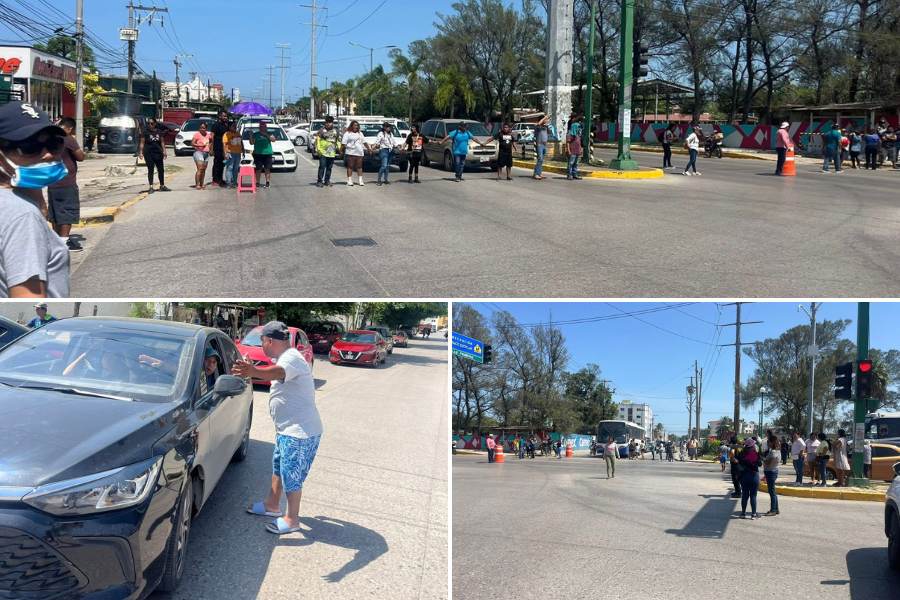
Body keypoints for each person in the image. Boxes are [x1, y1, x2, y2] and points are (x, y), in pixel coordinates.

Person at [235, 321, 323, 535]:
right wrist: (252, 369)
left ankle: (292, 519)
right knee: (279, 468)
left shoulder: (291, 358)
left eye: (261, 341)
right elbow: (272, 370)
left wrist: (252, 371)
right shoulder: (285, 357)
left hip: (300, 433)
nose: (261, 345)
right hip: (287, 430)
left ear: (269, 341)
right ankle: (272, 505)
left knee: (292, 476)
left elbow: (277, 373)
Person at [0, 101, 70, 298]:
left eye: (54, 143)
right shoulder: (23, 216)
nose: (47, 155)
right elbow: (28, 301)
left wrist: (36, 195)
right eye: (30, 146)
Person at [44, 116, 86, 253]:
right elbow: (80, 157)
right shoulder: (68, 139)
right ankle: (63, 243)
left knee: (56, 213)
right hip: (66, 182)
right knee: (67, 212)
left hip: (52, 182)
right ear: (70, 128)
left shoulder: (51, 138)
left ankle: (57, 240)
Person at [137, 118, 169, 196]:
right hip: (148, 153)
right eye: (148, 123)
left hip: (158, 153)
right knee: (150, 169)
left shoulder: (159, 132)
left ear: (155, 124)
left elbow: (162, 142)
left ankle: (162, 185)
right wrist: (140, 152)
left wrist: (164, 151)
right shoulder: (145, 132)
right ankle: (151, 186)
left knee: (161, 169)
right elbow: (142, 143)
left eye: (151, 123)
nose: (150, 125)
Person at [737, 437, 762, 519]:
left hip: (744, 476)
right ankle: (753, 514)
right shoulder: (754, 453)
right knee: (753, 496)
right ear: (752, 445)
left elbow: (738, 463)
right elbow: (760, 464)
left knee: (744, 495)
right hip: (754, 476)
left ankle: (743, 513)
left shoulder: (742, 453)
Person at [340, 120, 368, 187]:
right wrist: (341, 151)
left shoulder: (360, 133)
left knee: (359, 166)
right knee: (350, 166)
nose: (356, 127)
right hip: (350, 152)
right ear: (352, 126)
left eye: (357, 125)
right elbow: (343, 143)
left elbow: (364, 142)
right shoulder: (347, 133)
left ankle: (360, 180)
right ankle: (349, 180)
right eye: (355, 125)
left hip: (359, 152)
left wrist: (369, 148)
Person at [315, 116, 341, 188]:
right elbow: (317, 140)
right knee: (322, 167)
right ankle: (319, 181)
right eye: (327, 122)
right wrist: (318, 149)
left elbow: (338, 140)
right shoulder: (321, 131)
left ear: (332, 123)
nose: (328, 124)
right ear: (325, 123)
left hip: (332, 153)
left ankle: (327, 181)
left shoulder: (336, 131)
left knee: (329, 168)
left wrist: (339, 148)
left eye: (330, 122)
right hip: (323, 152)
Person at [251, 122, 276, 189]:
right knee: (258, 169)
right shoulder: (256, 134)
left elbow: (273, 140)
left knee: (267, 168)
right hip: (258, 153)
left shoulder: (269, 133)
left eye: (264, 126)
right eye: (261, 126)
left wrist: (265, 134)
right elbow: (251, 143)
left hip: (267, 153)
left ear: (266, 127)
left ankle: (267, 182)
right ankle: (257, 182)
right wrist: (251, 136)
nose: (262, 127)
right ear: (259, 127)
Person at [374, 122, 397, 186]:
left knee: (387, 166)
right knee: (384, 166)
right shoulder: (381, 134)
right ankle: (379, 180)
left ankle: (386, 179)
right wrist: (373, 147)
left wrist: (397, 146)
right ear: (384, 127)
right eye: (387, 127)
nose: (389, 128)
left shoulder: (391, 134)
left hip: (390, 151)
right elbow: (377, 142)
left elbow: (394, 142)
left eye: (389, 127)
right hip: (383, 150)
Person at [210, 110, 230, 187]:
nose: (225, 117)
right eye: (224, 116)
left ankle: (220, 179)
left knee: (222, 164)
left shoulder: (226, 125)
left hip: (224, 147)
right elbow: (212, 137)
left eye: (226, 116)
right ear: (220, 116)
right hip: (217, 146)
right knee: (217, 163)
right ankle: (215, 179)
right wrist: (211, 149)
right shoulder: (215, 125)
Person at [763, 430, 780, 516]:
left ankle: (773, 510)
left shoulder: (773, 452)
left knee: (772, 491)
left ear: (772, 442)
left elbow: (768, 463)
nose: (768, 443)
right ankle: (776, 509)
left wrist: (763, 459)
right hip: (773, 471)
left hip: (771, 472)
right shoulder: (776, 450)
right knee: (773, 491)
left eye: (769, 442)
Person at [191, 121, 212, 189]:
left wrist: (211, 149)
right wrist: (199, 145)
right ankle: (197, 184)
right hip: (198, 152)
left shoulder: (208, 135)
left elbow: (211, 141)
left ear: (206, 128)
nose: (202, 129)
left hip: (206, 153)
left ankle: (202, 183)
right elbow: (192, 143)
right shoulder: (197, 134)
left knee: (203, 169)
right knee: (200, 169)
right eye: (201, 128)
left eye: (204, 128)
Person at [223, 121, 244, 188]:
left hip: (238, 153)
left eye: (235, 126)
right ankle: (228, 183)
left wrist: (243, 151)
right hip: (230, 153)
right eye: (233, 126)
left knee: (236, 168)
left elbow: (241, 142)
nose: (235, 127)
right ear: (229, 127)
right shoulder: (227, 134)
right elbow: (224, 144)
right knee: (230, 168)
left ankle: (234, 182)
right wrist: (225, 153)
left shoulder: (238, 133)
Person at [566, 113, 583, 180]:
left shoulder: (578, 135)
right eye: (578, 127)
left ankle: (575, 174)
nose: (579, 129)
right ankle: (569, 174)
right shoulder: (570, 133)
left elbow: (580, 142)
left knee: (576, 163)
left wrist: (581, 149)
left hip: (577, 149)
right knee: (571, 163)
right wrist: (568, 150)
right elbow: (568, 142)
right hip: (572, 150)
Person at [533, 115, 550, 180]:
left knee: (541, 160)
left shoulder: (545, 127)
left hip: (544, 145)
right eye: (545, 119)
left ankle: (538, 173)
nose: (546, 120)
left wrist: (547, 124)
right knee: (540, 159)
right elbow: (538, 124)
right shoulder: (538, 126)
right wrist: (544, 118)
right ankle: (537, 174)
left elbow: (549, 132)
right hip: (539, 144)